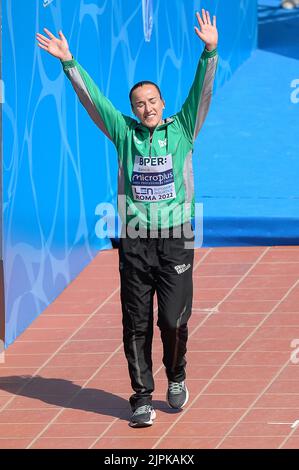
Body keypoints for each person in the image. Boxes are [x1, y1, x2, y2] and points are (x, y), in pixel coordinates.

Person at [36, 8, 218, 428]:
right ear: (133, 110)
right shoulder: (123, 132)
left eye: (152, 101)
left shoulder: (184, 127)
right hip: (135, 238)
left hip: (176, 236)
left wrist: (209, 52)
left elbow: (201, 92)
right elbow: (93, 100)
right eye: (140, 104)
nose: (147, 108)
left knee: (172, 320)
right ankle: (141, 397)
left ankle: (177, 376)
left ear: (163, 104)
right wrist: (68, 61)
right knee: (136, 321)